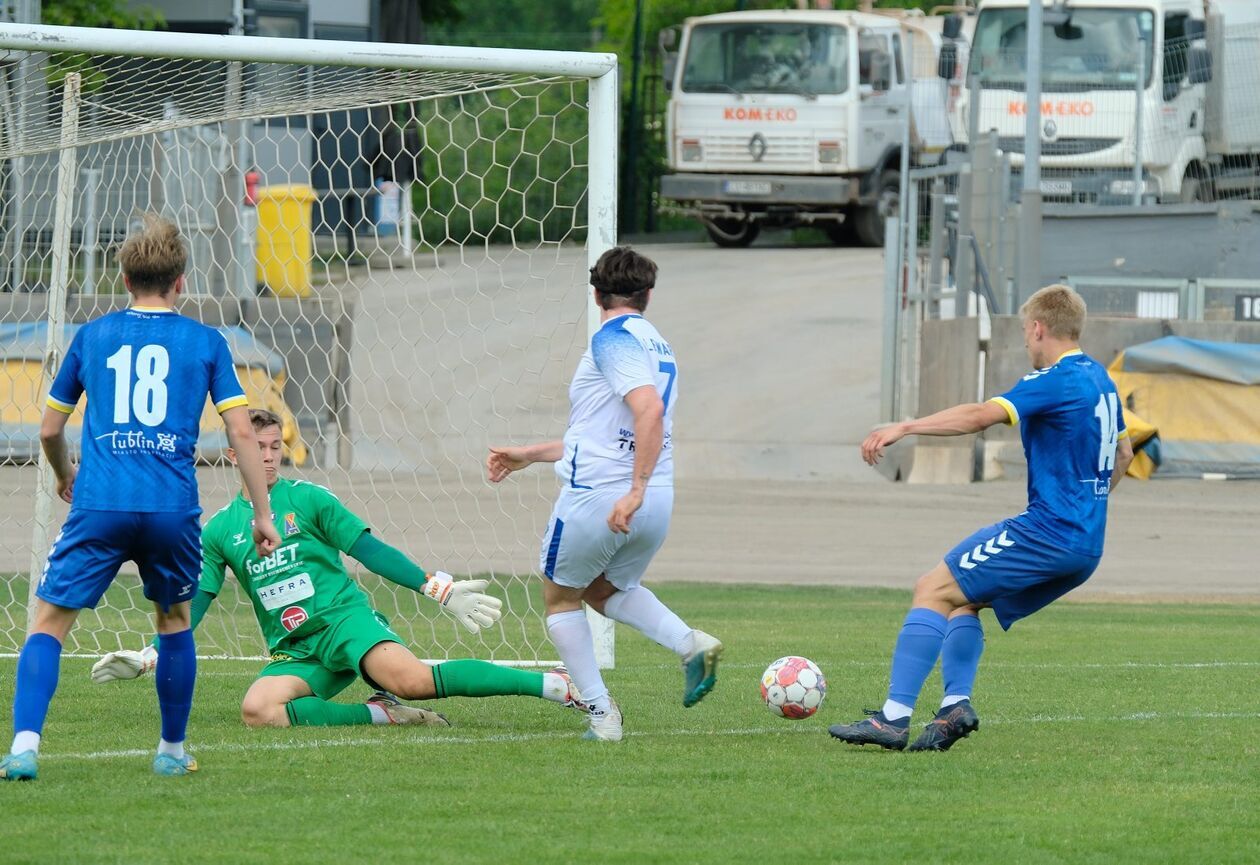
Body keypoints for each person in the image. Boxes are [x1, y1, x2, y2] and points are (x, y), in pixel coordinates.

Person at [91, 410, 588, 729]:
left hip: (345, 623)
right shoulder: (220, 530)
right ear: (231, 454)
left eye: (273, 447)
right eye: (255, 447)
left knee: (411, 679)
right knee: (258, 710)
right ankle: (380, 715)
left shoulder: (307, 500)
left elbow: (368, 550)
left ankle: (554, 684)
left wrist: (435, 587)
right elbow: (196, 601)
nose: (266, 456)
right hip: (296, 646)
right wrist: (153, 654)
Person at [1, 214, 281, 781]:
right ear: (182, 282)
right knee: (174, 623)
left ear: (123, 279)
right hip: (170, 510)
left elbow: (50, 432)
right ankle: (171, 751)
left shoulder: (93, 336)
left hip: (100, 503)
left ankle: (25, 748)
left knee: (48, 624)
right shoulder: (206, 341)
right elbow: (241, 432)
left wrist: (64, 474)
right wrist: (262, 512)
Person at [830, 284, 1134, 752]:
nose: (1028, 344)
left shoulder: (1055, 378)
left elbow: (979, 416)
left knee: (932, 588)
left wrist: (905, 426)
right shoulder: (1102, 381)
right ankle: (955, 706)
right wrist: (1088, 505)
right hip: (1086, 544)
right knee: (965, 600)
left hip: (1048, 533)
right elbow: (1125, 453)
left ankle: (892, 719)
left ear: (1037, 328)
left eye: (1026, 334)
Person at [486, 245, 722, 743]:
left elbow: (648, 412)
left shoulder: (610, 340)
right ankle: (690, 643)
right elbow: (607, 430)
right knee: (601, 589)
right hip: (656, 497)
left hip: (607, 496)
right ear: (648, 295)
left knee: (558, 597)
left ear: (595, 294)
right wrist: (532, 453)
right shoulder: (658, 343)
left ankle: (601, 716)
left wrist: (631, 490)